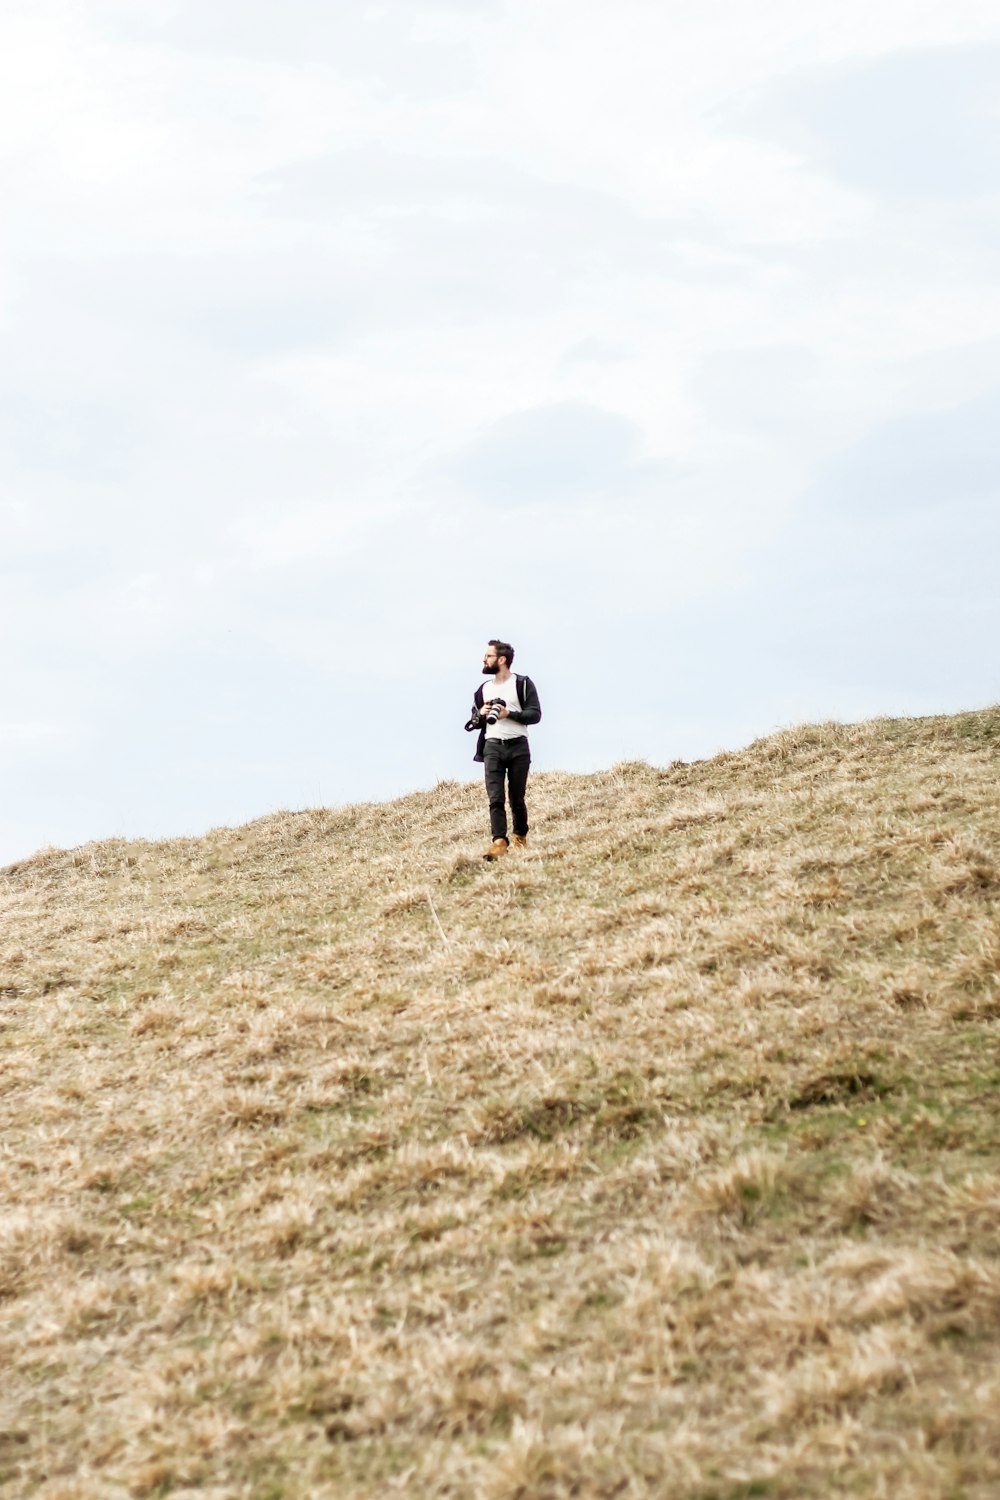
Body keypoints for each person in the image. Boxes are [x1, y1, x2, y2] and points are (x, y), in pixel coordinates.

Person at [464, 639, 542, 860]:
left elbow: (535, 714)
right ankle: (499, 841)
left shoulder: (523, 684)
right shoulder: (483, 690)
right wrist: (480, 713)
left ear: (501, 659)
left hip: (518, 746)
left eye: (488, 656)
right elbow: (475, 721)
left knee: (517, 797)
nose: (483, 659)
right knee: (495, 797)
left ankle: (520, 836)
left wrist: (510, 714)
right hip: (492, 747)